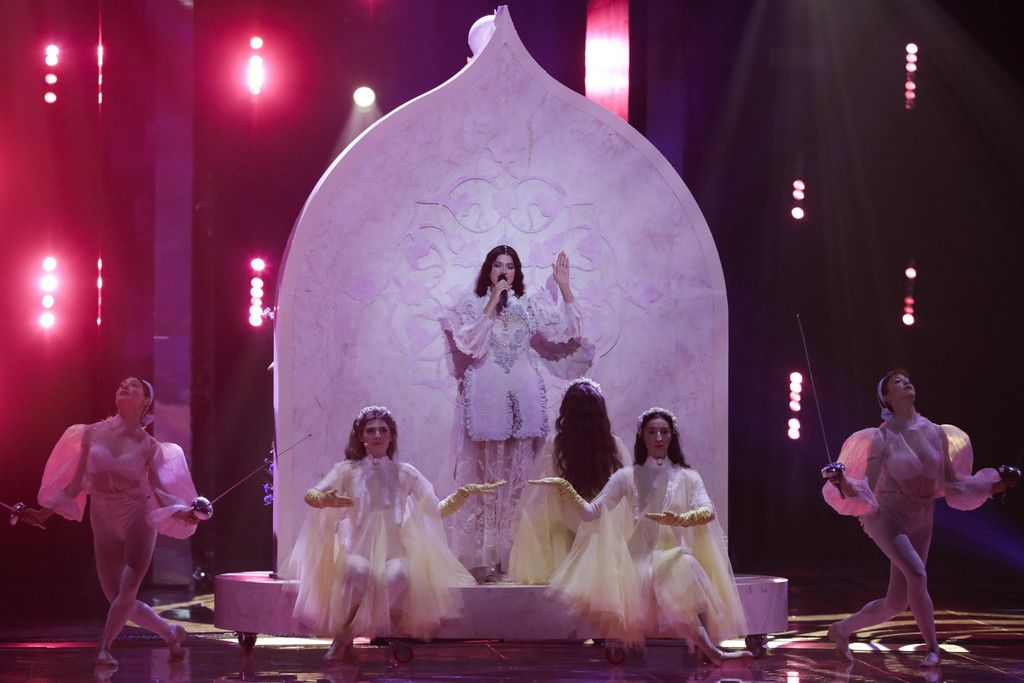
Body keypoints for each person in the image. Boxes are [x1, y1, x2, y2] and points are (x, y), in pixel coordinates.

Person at [821, 370, 1016, 667]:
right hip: (885, 514)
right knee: (917, 574)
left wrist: (995, 486)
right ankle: (932, 649)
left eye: (906, 379)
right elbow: (866, 488)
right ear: (887, 397)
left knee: (896, 603)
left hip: (923, 515)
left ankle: (840, 630)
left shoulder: (937, 433)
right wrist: (842, 482)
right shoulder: (881, 437)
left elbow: (954, 483)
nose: (905, 382)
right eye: (896, 382)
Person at [532, 407, 751, 665]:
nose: (658, 437)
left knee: (681, 566)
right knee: (677, 569)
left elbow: (708, 510)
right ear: (642, 436)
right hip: (638, 564)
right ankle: (712, 652)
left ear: (671, 436)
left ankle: (710, 649)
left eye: (664, 432)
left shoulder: (688, 477)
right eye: (652, 432)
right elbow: (591, 513)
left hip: (672, 558)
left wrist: (683, 519)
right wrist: (565, 488)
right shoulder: (627, 476)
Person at [287, 405, 504, 661]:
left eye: (383, 430)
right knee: (359, 572)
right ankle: (348, 637)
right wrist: (322, 499)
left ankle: (345, 637)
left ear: (391, 437)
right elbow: (312, 493)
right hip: (358, 550)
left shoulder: (405, 472)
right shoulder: (346, 471)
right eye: (370, 430)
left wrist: (462, 495)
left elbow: (435, 509)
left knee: (398, 576)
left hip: (395, 553)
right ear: (361, 437)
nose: (377, 435)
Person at [21, 377, 200, 667]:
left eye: (133, 385)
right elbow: (74, 486)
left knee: (128, 589)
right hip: (102, 516)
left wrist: (183, 513)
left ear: (146, 401)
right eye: (121, 384)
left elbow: (158, 493)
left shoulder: (149, 446)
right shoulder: (90, 433)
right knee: (117, 597)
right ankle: (171, 632)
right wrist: (43, 513)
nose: (124, 387)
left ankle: (104, 647)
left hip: (136, 516)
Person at [445, 244, 581, 579]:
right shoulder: (472, 304)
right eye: (497, 265)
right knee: (486, 482)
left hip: (522, 395)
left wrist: (564, 287)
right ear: (488, 270)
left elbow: (565, 331)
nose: (503, 270)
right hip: (487, 396)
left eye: (509, 266)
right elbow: (470, 344)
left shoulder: (529, 303)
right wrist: (493, 301)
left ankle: (518, 557)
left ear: (517, 272)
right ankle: (486, 558)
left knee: (521, 480)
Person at [507, 377, 630, 583]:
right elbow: (622, 494)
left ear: (567, 412)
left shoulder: (557, 446)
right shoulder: (613, 445)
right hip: (601, 526)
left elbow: (545, 491)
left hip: (564, 523)